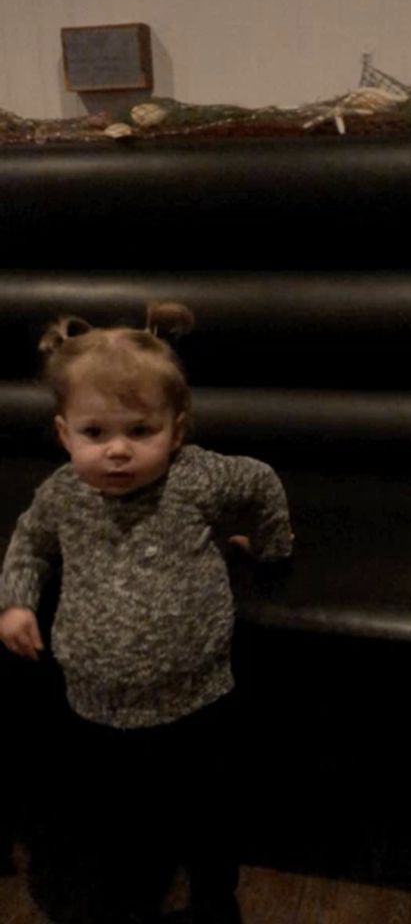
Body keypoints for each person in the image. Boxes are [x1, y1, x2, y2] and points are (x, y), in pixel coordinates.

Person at [0, 302, 293, 924]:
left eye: (140, 431)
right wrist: (16, 601)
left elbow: (263, 484)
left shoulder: (199, 480)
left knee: (207, 816)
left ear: (177, 429)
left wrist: (269, 547)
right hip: (94, 706)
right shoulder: (62, 494)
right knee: (117, 824)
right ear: (63, 433)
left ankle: (217, 897)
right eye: (95, 434)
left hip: (198, 700)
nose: (117, 452)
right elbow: (29, 542)